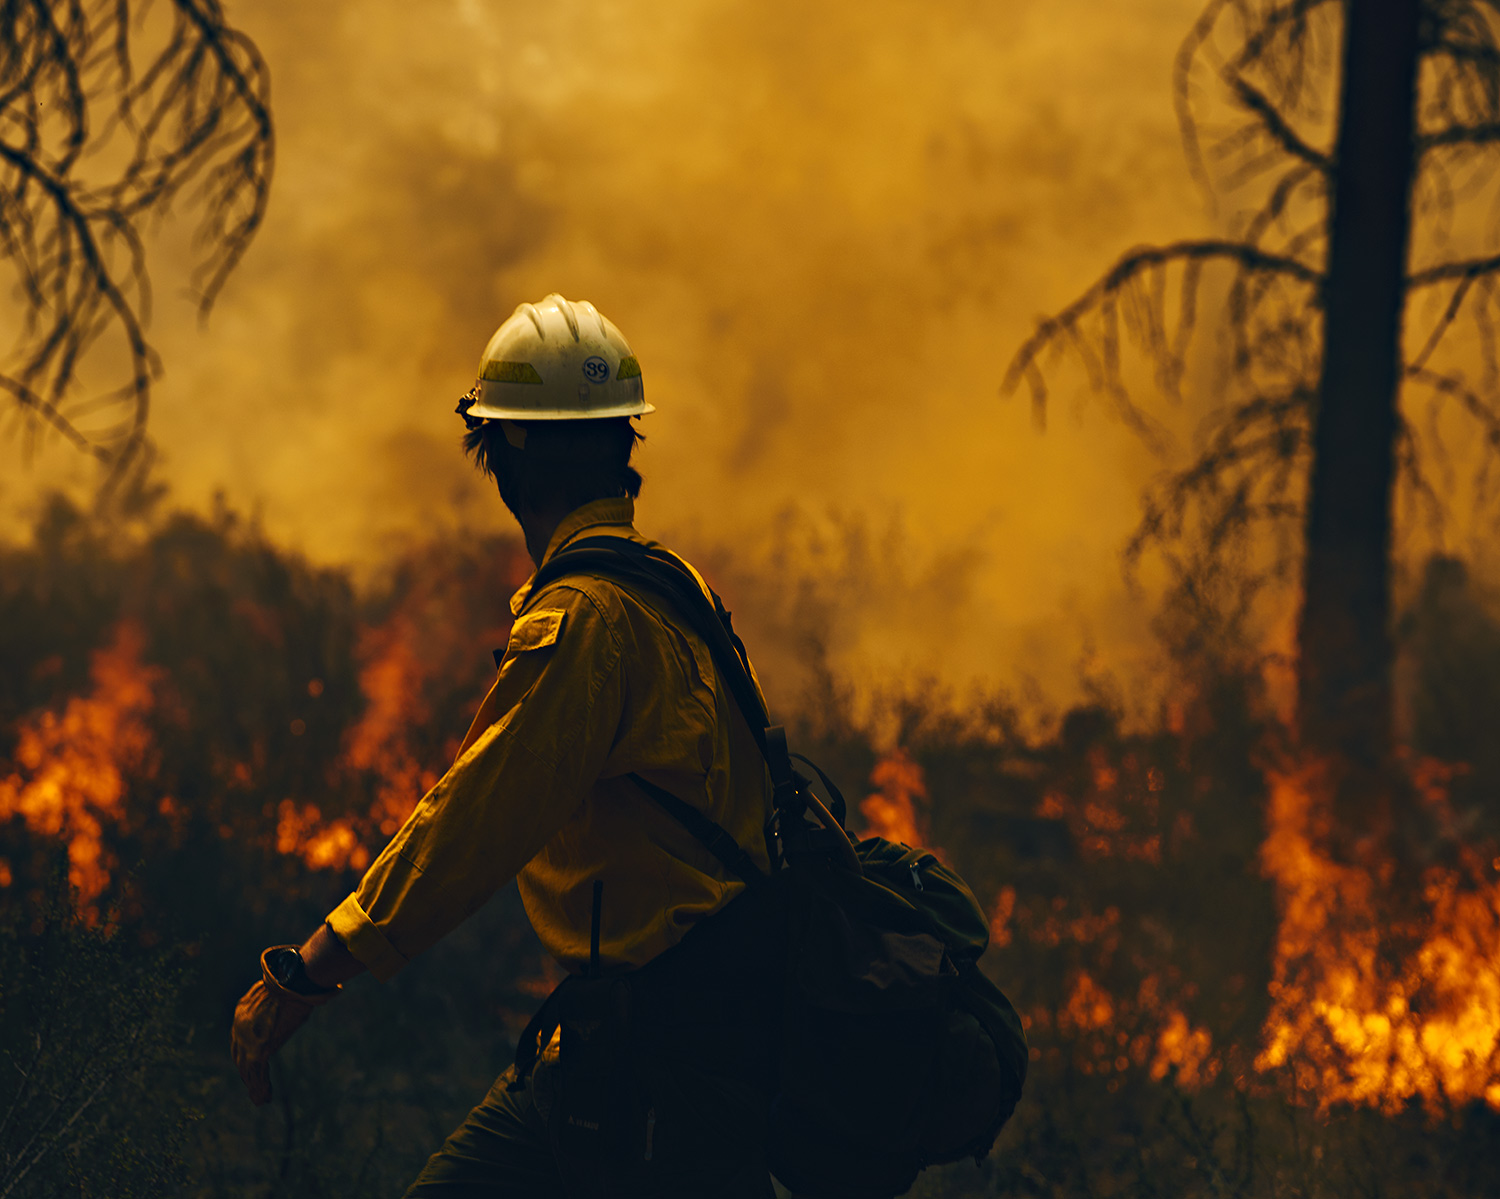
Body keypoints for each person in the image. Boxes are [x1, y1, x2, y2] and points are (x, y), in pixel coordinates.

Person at [231, 294, 782, 1197]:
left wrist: (306, 973)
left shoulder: (588, 618)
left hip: (659, 1058)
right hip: (667, 1041)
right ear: (623, 444)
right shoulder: (670, 585)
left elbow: (471, 821)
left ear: (506, 454)